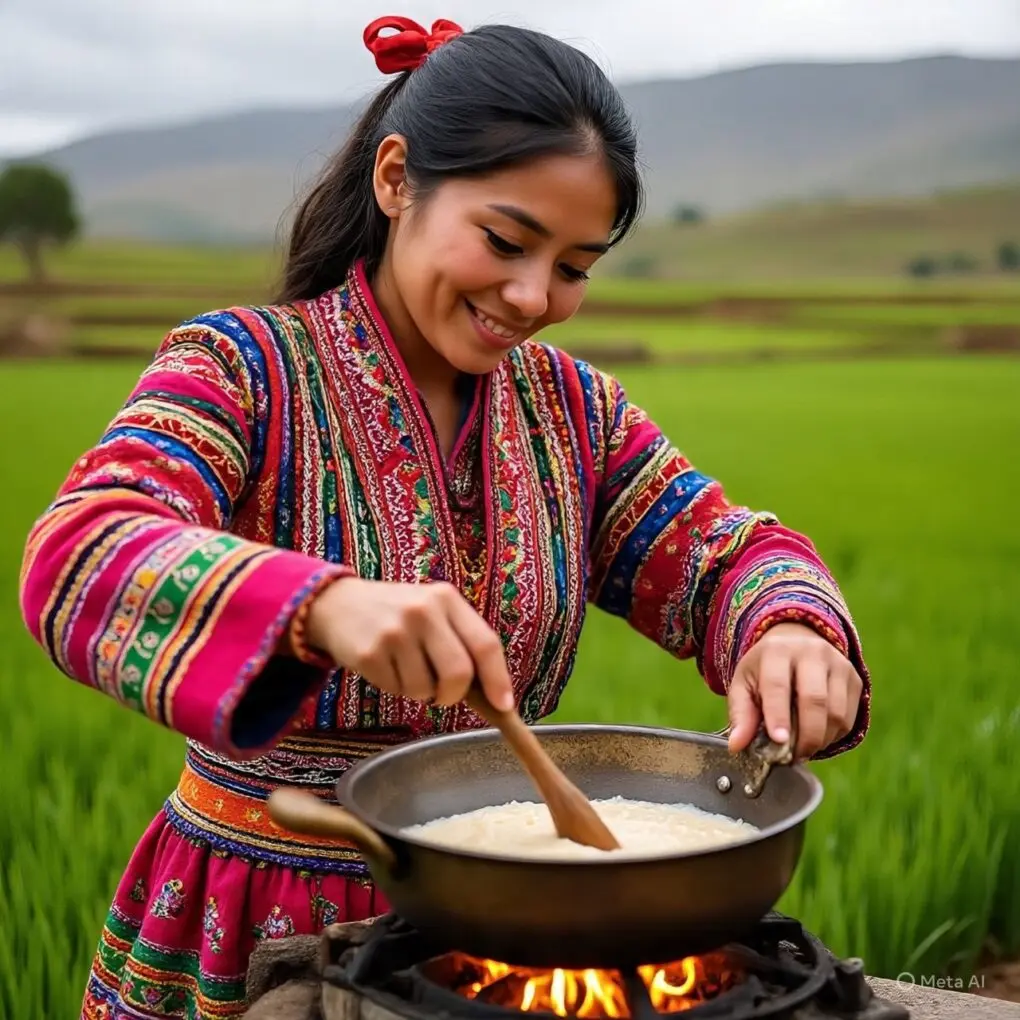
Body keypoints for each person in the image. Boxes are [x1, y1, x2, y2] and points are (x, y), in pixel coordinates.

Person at [20, 15, 870, 1020]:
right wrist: (321, 607)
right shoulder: (243, 371)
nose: (531, 294)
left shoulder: (575, 415)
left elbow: (723, 556)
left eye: (574, 266)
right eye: (507, 241)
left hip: (510, 927)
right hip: (254, 918)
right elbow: (82, 547)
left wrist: (784, 628)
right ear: (395, 180)